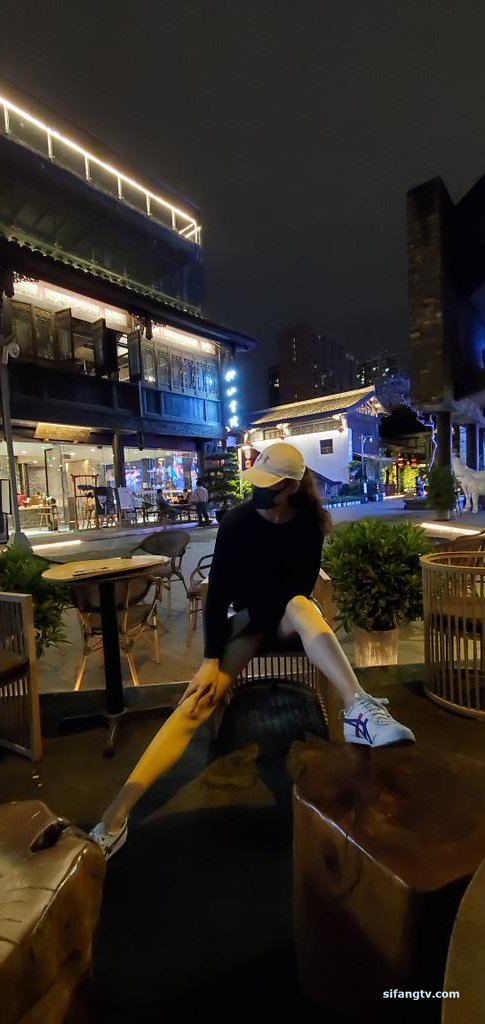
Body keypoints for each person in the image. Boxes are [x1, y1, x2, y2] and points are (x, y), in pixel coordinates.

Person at [90, 442, 415, 859]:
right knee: (195, 703)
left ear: (291, 487)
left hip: (285, 618)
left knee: (301, 605)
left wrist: (265, 605)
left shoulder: (309, 523)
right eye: (256, 481)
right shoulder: (237, 522)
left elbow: (298, 589)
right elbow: (218, 595)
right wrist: (210, 660)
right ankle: (114, 818)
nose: (258, 490)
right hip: (248, 621)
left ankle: (359, 707)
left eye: (268, 485)